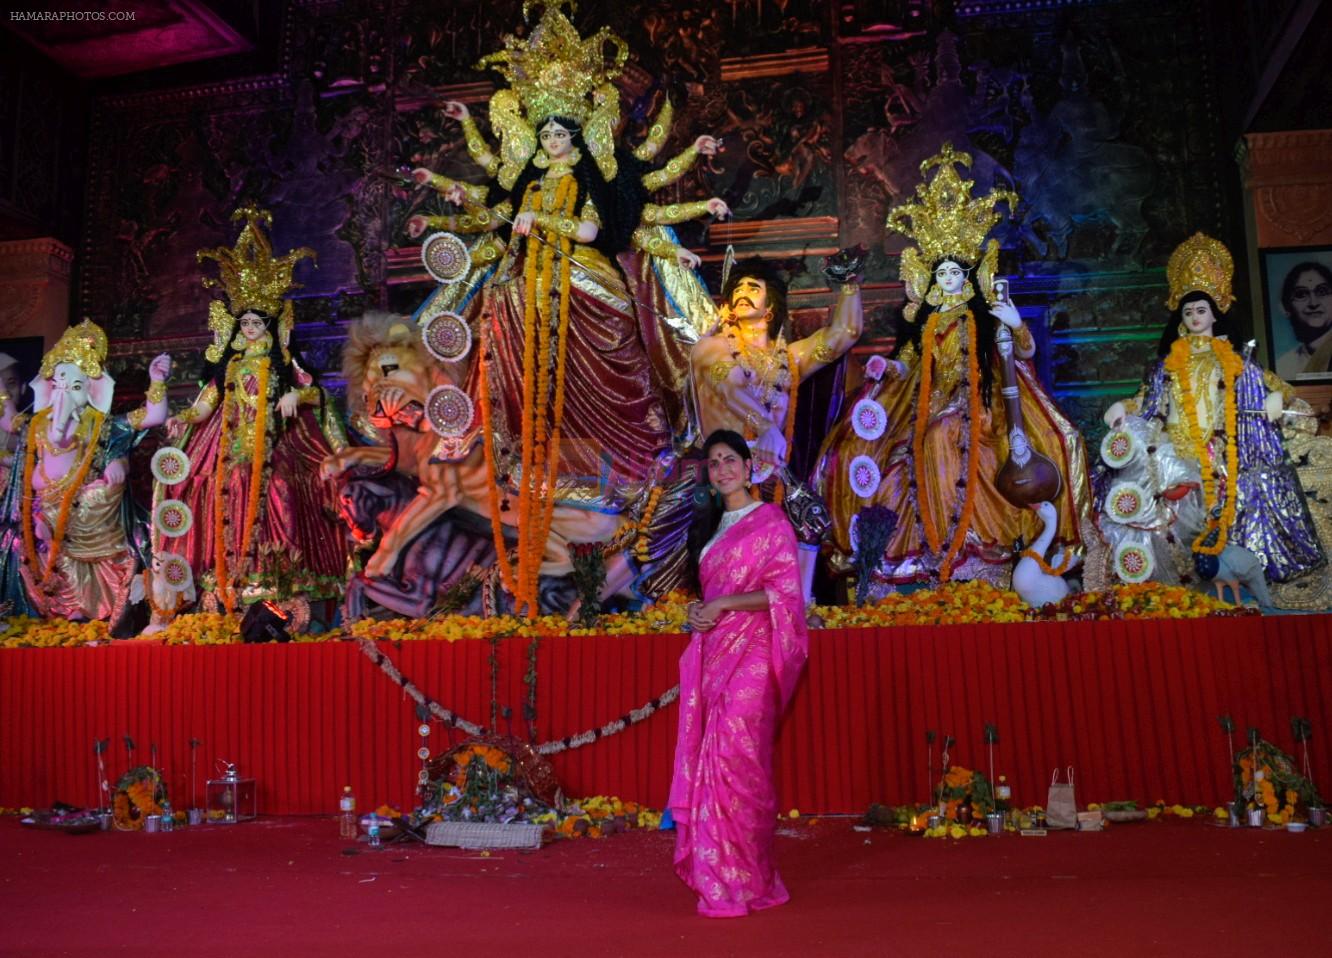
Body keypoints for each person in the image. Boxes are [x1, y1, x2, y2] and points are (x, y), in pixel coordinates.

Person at [398, 2, 729, 609]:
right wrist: (436, 201)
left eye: (561, 132)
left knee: (617, 354)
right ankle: (525, 463)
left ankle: (632, 465)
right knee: (504, 322)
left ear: (578, 134)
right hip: (530, 289)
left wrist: (543, 217)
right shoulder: (523, 179)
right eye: (545, 132)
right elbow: (489, 214)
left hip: (588, 281)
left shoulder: (599, 178)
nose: (551, 140)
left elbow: (590, 232)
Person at [813, 144, 1090, 587]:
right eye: (940, 274)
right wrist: (886, 371)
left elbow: (1023, 353)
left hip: (985, 405)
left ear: (967, 277)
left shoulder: (983, 315)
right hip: (928, 405)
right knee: (876, 445)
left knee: (1052, 439)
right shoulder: (925, 325)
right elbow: (908, 364)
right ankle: (935, 548)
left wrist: (1016, 325)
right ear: (932, 279)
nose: (947, 281)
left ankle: (980, 544)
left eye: (954, 274)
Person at [1100, 233, 1325, 585]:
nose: (1194, 316)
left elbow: (1273, 384)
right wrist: (1121, 407)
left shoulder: (1232, 360)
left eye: (1201, 310)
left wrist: (1276, 397)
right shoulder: (1169, 364)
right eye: (1188, 311)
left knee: (1224, 513)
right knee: (1160, 511)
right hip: (1172, 452)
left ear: (1215, 314)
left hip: (1221, 453)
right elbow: (1147, 400)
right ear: (1180, 318)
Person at [162, 206, 347, 613]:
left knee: (278, 487)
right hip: (233, 447)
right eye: (243, 323)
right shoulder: (230, 365)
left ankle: (283, 574)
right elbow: (206, 403)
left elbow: (317, 393)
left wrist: (296, 397)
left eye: (255, 323)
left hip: (277, 446)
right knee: (218, 487)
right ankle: (229, 576)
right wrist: (183, 416)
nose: (248, 329)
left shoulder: (283, 363)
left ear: (270, 324)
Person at [669, 429, 808, 918]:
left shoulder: (771, 523)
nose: (723, 468)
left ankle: (747, 877)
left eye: (731, 459)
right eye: (714, 462)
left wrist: (725, 603)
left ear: (750, 467)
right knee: (714, 761)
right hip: (714, 653)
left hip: (755, 653)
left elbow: (788, 597)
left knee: (737, 759)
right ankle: (723, 878)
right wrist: (698, 613)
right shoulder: (708, 527)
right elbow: (708, 594)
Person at [689, 254, 861, 602]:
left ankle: (793, 606)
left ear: (770, 308)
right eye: (736, 288)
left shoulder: (791, 358)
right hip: (720, 468)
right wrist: (766, 425)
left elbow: (845, 333)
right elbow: (732, 388)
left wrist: (849, 283)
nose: (742, 292)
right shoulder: (712, 348)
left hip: (771, 472)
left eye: (753, 287)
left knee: (811, 518)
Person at [0, 320, 171, 620]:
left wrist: (157, 380)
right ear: (48, 386)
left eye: (75, 386)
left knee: (101, 497)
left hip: (90, 519)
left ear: (93, 390)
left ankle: (89, 611)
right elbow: (7, 420)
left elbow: (155, 415)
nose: (64, 392)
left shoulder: (102, 425)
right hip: (46, 519)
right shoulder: (37, 424)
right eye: (59, 384)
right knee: (20, 539)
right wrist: (2, 389)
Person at [1274, 261, 1332, 380]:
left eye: (1322, 292)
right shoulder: (1283, 367)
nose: (1313, 303)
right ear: (1286, 306)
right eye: (1301, 294)